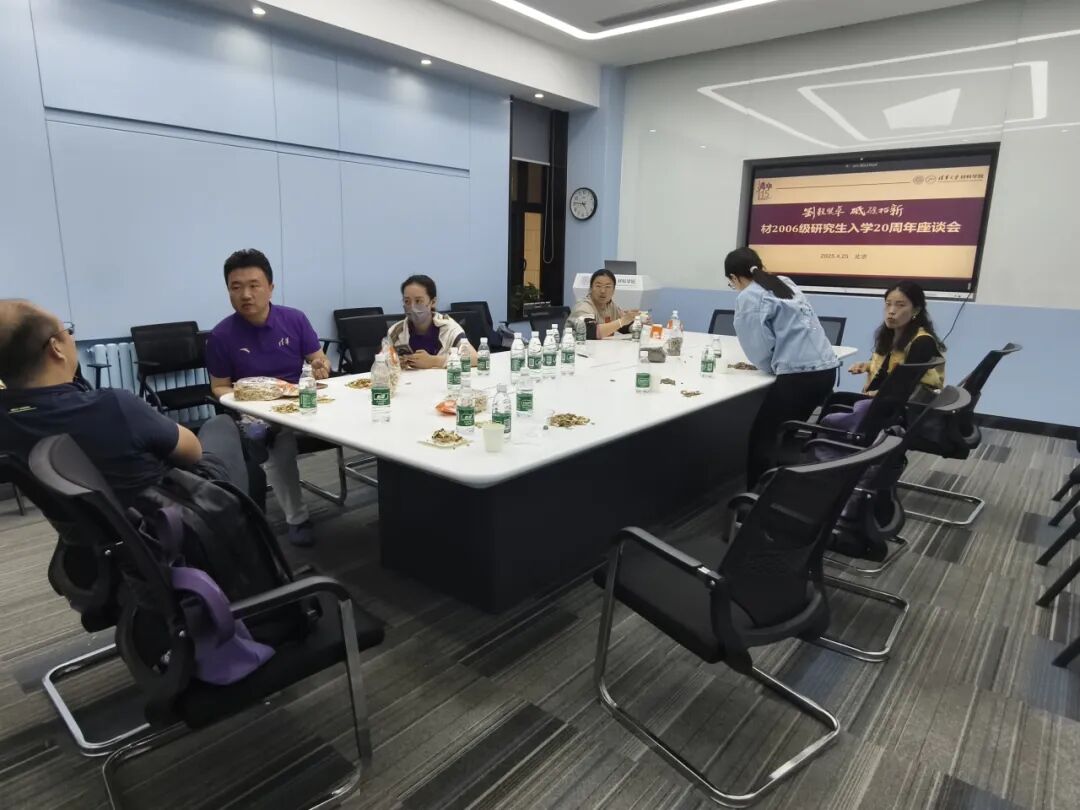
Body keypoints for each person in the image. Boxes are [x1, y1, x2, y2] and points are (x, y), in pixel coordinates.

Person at [0, 300, 248, 506]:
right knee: (221, 424)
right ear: (56, 348)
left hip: (101, 536)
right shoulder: (112, 406)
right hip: (175, 522)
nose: (72, 338)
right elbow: (192, 452)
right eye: (68, 332)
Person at [206, 249, 331, 547]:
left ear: (271, 287)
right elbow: (219, 387)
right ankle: (297, 519)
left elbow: (320, 360)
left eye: (254, 285)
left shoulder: (294, 319)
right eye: (236, 287)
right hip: (259, 409)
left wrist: (320, 366)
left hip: (300, 400)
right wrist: (249, 400)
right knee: (279, 444)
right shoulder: (221, 336)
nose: (246, 295)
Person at [725, 247, 840, 488]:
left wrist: (771, 366)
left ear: (734, 277)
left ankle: (757, 496)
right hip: (827, 370)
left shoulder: (749, 296)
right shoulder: (784, 282)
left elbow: (758, 348)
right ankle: (783, 483)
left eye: (731, 283)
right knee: (785, 431)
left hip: (800, 376)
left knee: (763, 437)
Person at [848, 281, 945, 395]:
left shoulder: (923, 341)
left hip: (900, 403)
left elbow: (907, 384)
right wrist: (867, 365)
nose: (891, 311)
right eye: (888, 304)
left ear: (916, 310)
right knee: (837, 399)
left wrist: (877, 394)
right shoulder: (888, 335)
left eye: (900, 305)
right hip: (877, 398)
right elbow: (884, 368)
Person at [389, 275, 478, 369]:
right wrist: (394, 363)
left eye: (418, 301)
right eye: (407, 301)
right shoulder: (396, 331)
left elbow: (475, 358)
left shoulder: (449, 327)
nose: (412, 307)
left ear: (433, 302)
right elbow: (382, 361)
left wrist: (434, 361)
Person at [568, 269, 642, 339]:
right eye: (598, 286)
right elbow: (590, 332)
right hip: (574, 347)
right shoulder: (583, 306)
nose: (603, 291)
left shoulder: (610, 305)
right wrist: (623, 321)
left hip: (598, 347)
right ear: (591, 288)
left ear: (613, 291)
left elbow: (624, 327)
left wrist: (637, 323)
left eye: (608, 287)